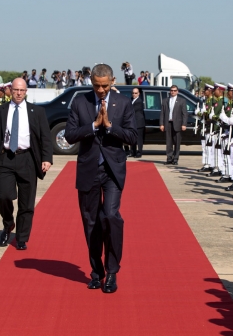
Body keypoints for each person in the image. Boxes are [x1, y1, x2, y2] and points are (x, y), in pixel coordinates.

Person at [64, 63, 137, 294]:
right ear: (91, 82)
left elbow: (133, 137)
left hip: (112, 170)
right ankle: (97, 272)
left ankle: (112, 272)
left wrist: (111, 127)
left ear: (113, 81)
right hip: (89, 170)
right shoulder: (79, 101)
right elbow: (69, 135)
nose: (101, 90)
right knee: (91, 223)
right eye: (97, 86)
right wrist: (94, 126)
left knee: (111, 216)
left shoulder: (123, 103)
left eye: (105, 85)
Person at [0, 78, 53, 250]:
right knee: (4, 195)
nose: (19, 93)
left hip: (27, 158)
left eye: (22, 90)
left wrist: (47, 158)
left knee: (26, 203)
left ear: (26, 91)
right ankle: (8, 223)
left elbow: (45, 138)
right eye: (15, 90)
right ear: (10, 91)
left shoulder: (37, 111)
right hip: (6, 157)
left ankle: (21, 237)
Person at [160, 85, 188, 165]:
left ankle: (175, 158)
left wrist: (184, 124)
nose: (173, 92)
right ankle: (169, 158)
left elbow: (184, 114)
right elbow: (162, 113)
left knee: (177, 142)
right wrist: (161, 124)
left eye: (175, 90)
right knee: (169, 141)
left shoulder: (181, 101)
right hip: (168, 123)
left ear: (177, 91)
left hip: (178, 124)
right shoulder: (165, 100)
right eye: (171, 90)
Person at [130, 87, 145, 158]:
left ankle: (139, 152)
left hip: (139, 122)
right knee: (132, 138)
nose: (134, 94)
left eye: (136, 93)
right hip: (132, 122)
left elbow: (132, 110)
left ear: (138, 93)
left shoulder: (139, 101)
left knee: (139, 139)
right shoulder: (131, 100)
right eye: (133, 93)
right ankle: (133, 152)